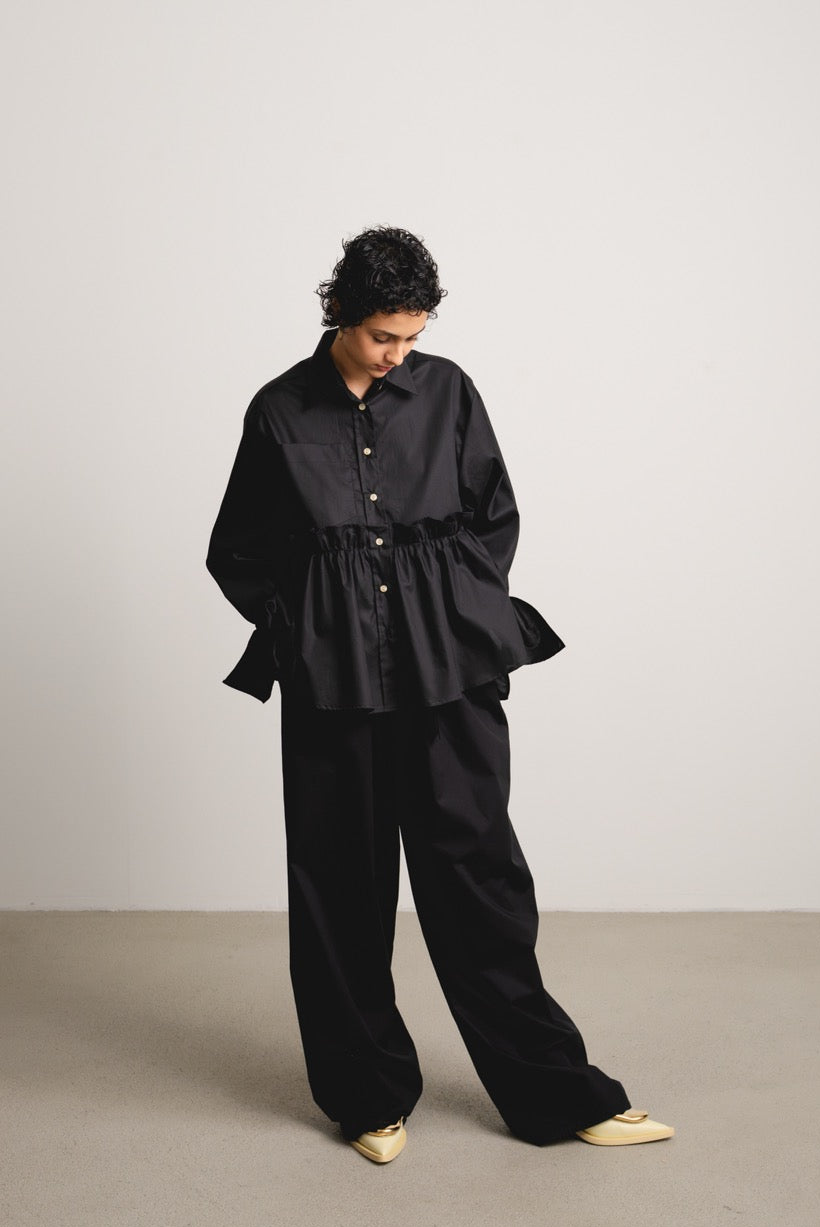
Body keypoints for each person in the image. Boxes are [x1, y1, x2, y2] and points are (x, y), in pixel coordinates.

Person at [206, 225, 674, 1163]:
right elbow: (239, 551)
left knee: (481, 882)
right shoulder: (278, 411)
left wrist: (452, 615)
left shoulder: (448, 391)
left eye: (412, 337)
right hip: (334, 688)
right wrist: (310, 630)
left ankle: (554, 1093)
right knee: (340, 891)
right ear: (339, 312)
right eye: (383, 336)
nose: (397, 354)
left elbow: (492, 519)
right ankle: (366, 1097)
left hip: (446, 675)